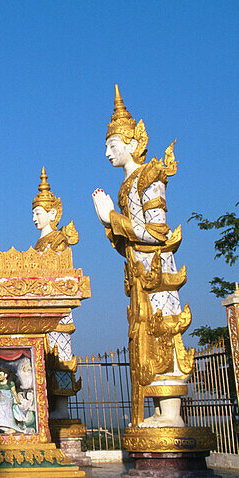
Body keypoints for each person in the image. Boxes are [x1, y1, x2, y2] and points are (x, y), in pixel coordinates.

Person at [92, 85, 193, 427]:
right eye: (106, 146)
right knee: (144, 338)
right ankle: (157, 411)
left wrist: (113, 219)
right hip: (138, 274)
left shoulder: (151, 176)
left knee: (164, 330)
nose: (107, 152)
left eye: (113, 145)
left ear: (133, 144)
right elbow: (127, 241)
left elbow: (156, 231)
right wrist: (110, 226)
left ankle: (172, 415)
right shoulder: (125, 186)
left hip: (159, 270)